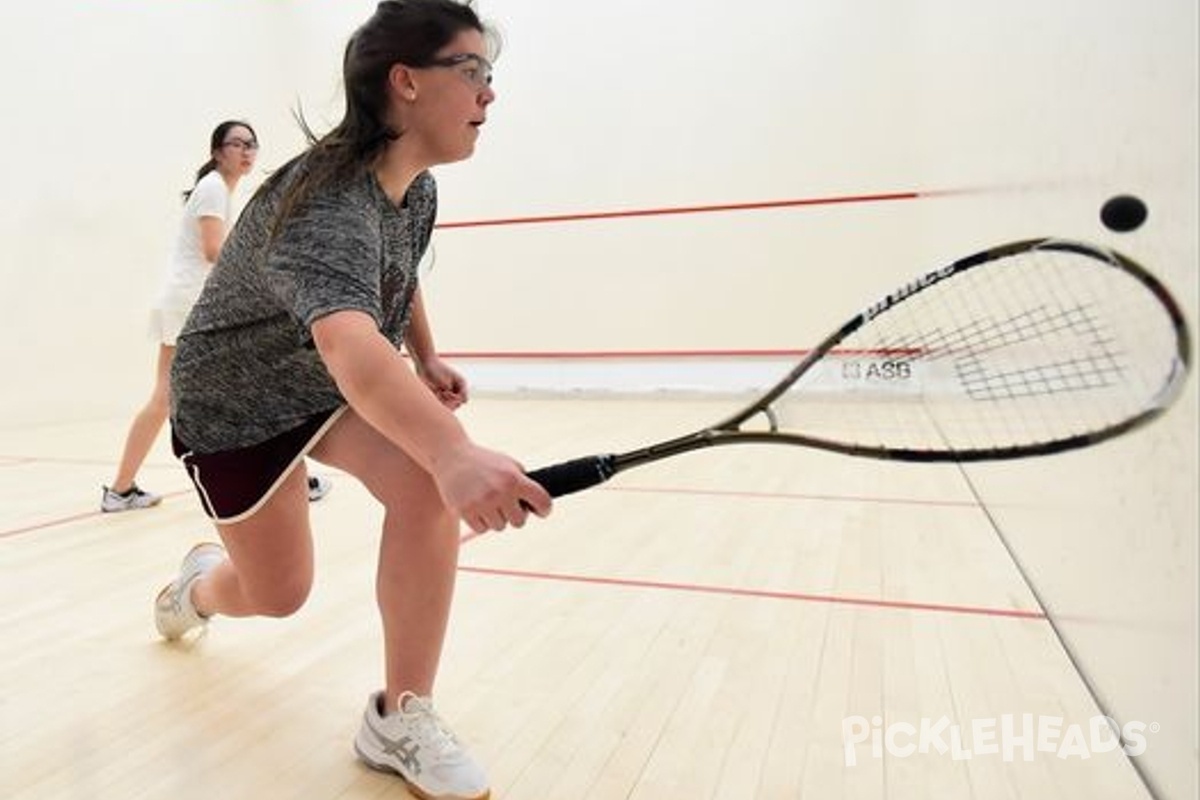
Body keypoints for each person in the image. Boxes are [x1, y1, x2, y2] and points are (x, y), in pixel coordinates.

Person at [152, 2, 551, 798]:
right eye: (471, 72)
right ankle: (197, 588)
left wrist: (427, 357)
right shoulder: (325, 203)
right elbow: (348, 342)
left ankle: (400, 717)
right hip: (233, 402)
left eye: (489, 75)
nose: (489, 94)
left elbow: (392, 274)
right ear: (405, 82)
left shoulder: (415, 189)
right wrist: (455, 450)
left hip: (317, 383)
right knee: (277, 593)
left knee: (421, 490)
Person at [101, 122, 332, 512]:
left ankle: (120, 490)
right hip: (193, 306)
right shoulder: (212, 188)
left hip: (191, 304)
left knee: (187, 394)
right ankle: (120, 490)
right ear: (217, 151)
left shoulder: (217, 190)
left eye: (252, 144)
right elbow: (214, 251)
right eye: (237, 144)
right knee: (196, 392)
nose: (246, 151)